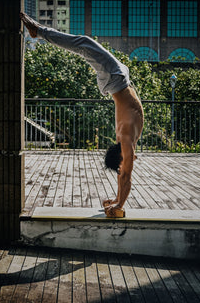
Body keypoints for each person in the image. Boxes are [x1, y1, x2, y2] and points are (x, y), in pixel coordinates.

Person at [20, 12, 144, 218]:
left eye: (124, 161)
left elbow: (125, 174)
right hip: (119, 78)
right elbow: (125, 174)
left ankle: (39, 32)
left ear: (121, 155)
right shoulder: (127, 139)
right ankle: (39, 32)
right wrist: (117, 202)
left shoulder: (126, 137)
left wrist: (118, 202)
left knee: (84, 44)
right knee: (84, 43)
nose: (130, 161)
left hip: (116, 79)